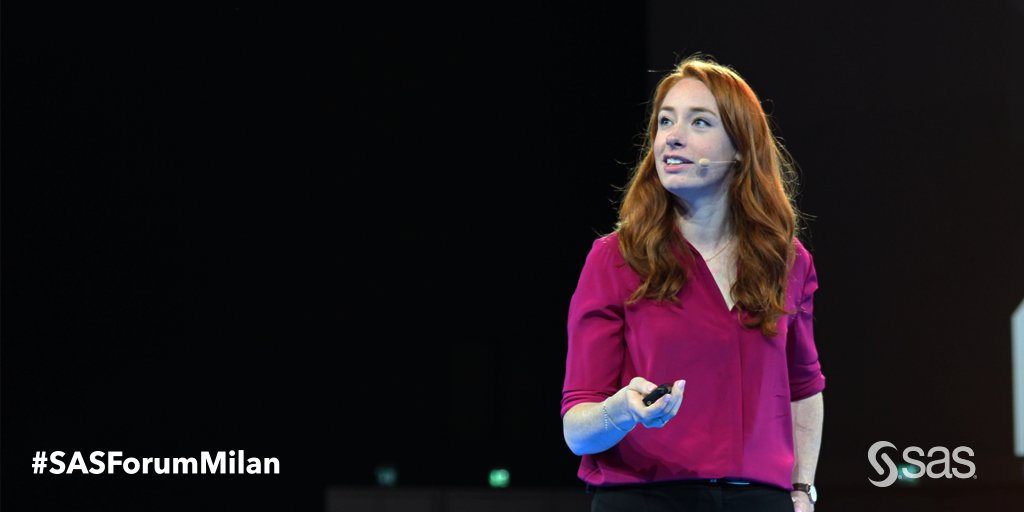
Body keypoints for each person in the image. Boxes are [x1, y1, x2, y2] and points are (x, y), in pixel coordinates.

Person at [561, 55, 825, 512]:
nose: (673, 136)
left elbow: (804, 387)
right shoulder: (615, 258)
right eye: (665, 121)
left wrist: (802, 489)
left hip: (759, 501)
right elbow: (576, 429)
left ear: (740, 147)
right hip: (645, 499)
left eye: (699, 121)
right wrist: (621, 411)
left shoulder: (787, 261)